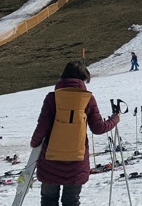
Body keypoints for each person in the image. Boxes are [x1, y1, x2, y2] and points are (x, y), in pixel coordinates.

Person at [30, 61, 120, 206]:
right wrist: (114, 120)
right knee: (71, 201)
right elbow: (98, 128)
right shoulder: (87, 99)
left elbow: (42, 127)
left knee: (48, 200)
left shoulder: (52, 98)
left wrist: (34, 143)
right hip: (77, 161)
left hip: (50, 161)